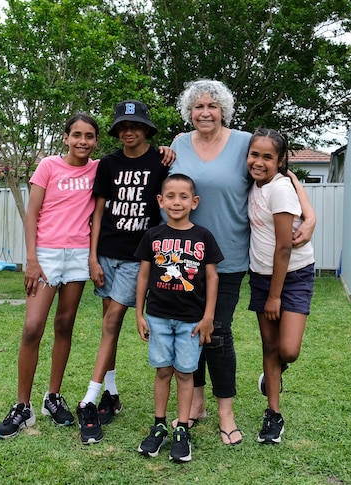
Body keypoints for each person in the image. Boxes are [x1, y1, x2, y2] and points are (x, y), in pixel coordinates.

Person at [169, 79, 315, 445]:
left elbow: (285, 175)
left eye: (212, 107)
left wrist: (310, 217)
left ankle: (226, 414)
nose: (205, 112)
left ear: (224, 111)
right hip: (183, 256)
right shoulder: (178, 144)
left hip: (230, 257)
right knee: (191, 331)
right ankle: (197, 402)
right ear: (190, 112)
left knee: (217, 333)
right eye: (199, 106)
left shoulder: (244, 143)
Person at [0, 113, 101, 439]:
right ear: (66, 137)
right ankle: (22, 407)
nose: (83, 141)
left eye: (89, 136)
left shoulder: (97, 169)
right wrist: (31, 260)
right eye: (77, 135)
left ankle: (52, 397)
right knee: (32, 327)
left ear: (95, 140)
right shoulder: (49, 166)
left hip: (79, 255)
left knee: (64, 325)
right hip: (47, 255)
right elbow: (32, 214)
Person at [75, 100, 172, 444]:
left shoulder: (161, 162)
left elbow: (171, 199)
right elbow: (98, 213)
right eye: (122, 127)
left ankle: (88, 398)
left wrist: (171, 151)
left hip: (137, 256)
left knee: (113, 320)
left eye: (135, 126)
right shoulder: (109, 164)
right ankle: (111, 395)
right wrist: (92, 257)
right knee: (108, 328)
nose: (128, 132)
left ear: (146, 129)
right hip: (106, 254)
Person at [134, 174, 223, 463]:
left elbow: (212, 277)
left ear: (194, 202)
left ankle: (182, 428)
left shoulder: (203, 237)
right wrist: (139, 313)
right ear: (160, 201)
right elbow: (144, 275)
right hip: (158, 317)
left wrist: (208, 316)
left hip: (191, 321)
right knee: (162, 371)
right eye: (170, 196)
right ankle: (159, 425)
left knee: (185, 373)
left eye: (184, 196)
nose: (177, 202)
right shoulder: (153, 236)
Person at [246, 128, 316, 444]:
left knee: (288, 350)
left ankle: (275, 370)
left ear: (280, 160)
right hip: (260, 275)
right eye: (254, 154)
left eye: (267, 157)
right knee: (269, 346)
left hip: (294, 276)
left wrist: (275, 296)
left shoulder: (281, 189)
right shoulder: (252, 183)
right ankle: (273, 413)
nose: (259, 162)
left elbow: (284, 247)